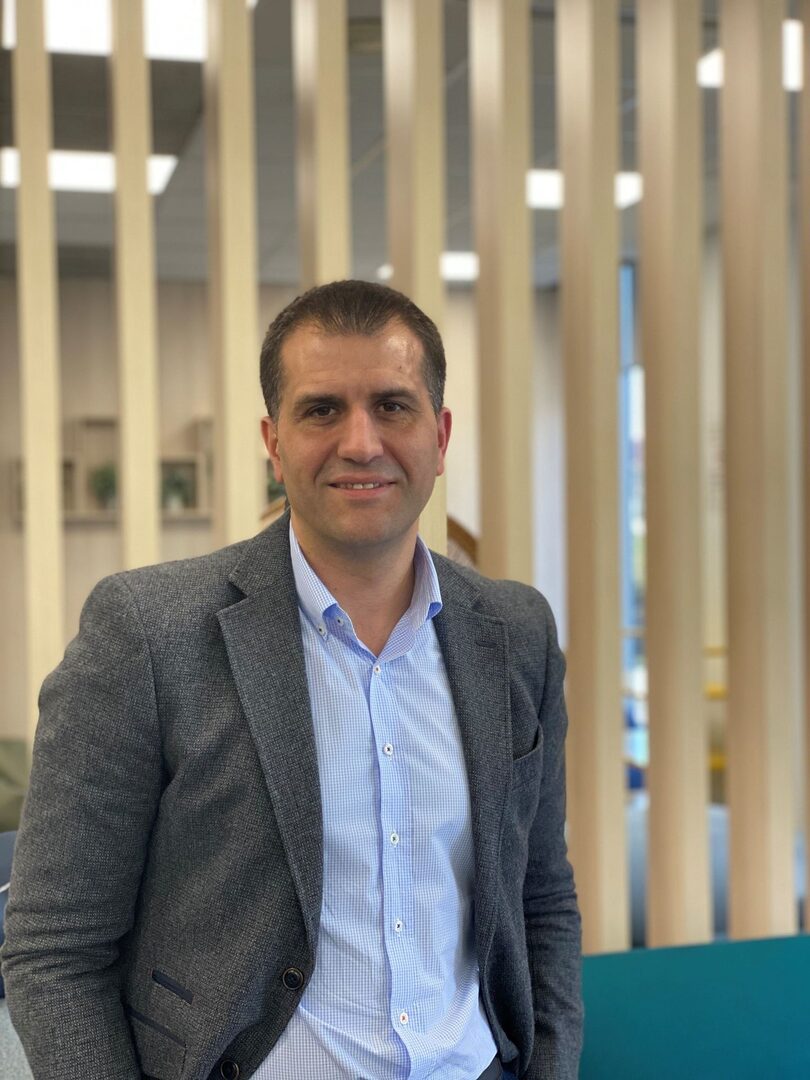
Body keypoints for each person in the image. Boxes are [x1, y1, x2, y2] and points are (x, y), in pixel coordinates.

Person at [2, 280, 582, 1080]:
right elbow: (54, 947)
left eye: (393, 406)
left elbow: (541, 899)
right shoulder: (148, 635)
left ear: (440, 436)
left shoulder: (516, 633)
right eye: (322, 411)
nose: (361, 443)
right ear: (273, 444)